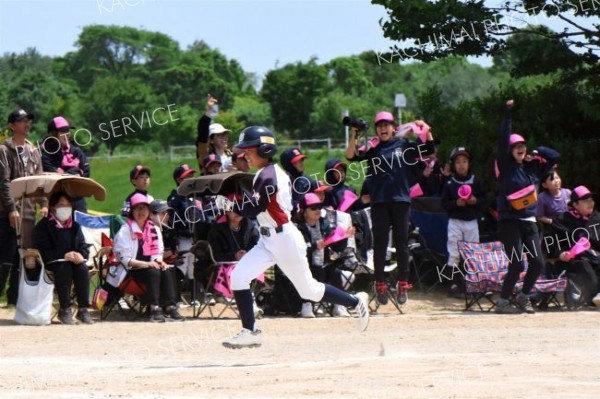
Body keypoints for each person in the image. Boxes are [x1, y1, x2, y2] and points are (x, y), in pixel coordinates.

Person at [219, 126, 369, 349]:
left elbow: (254, 208)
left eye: (248, 150)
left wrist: (231, 204)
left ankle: (356, 301)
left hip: (284, 240)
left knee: (310, 290)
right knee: (239, 277)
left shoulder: (269, 176)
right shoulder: (266, 173)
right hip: (268, 239)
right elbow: (257, 206)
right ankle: (250, 332)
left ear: (264, 149)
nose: (244, 155)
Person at [345, 111, 436, 306]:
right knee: (380, 244)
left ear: (394, 128)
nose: (383, 128)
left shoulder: (404, 146)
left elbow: (429, 149)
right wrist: (354, 134)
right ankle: (380, 284)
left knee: (402, 244)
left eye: (387, 125)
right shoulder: (374, 148)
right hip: (379, 202)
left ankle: (403, 283)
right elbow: (351, 156)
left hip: (401, 200)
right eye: (379, 125)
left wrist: (426, 129)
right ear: (377, 130)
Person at [495, 99, 560, 314]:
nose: (520, 149)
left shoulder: (533, 168)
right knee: (516, 265)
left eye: (523, 146)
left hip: (528, 221)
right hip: (509, 221)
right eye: (516, 147)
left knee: (538, 263)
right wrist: (507, 114)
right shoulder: (505, 167)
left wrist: (537, 150)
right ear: (509, 151)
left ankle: (524, 297)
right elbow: (504, 139)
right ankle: (503, 302)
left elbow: (554, 157)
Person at [0, 109, 48, 306]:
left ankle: (15, 298)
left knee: (24, 255)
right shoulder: (4, 150)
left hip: (28, 212)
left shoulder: (33, 150)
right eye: (22, 121)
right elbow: (3, 182)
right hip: (7, 212)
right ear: (12, 125)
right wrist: (11, 208)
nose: (26, 124)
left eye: (27, 120)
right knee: (5, 256)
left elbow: (39, 179)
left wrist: (43, 204)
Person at [113, 193, 184, 322]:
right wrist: (148, 264)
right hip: (131, 271)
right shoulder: (125, 231)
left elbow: (157, 254)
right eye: (138, 208)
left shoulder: (154, 229)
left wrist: (159, 261)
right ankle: (154, 308)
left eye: (144, 208)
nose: (141, 212)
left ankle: (170, 307)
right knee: (154, 271)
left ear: (149, 211)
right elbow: (125, 260)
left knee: (167, 268)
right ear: (132, 211)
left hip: (150, 268)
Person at [33, 191, 92, 324]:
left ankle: (83, 309)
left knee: (82, 268)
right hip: (52, 262)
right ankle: (65, 309)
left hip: (73, 262)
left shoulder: (75, 226)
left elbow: (83, 246)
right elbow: (42, 250)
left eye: (68, 205)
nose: (65, 208)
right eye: (61, 204)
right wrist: (63, 255)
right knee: (64, 267)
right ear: (53, 208)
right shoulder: (43, 226)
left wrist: (80, 254)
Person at [294, 193, 356, 318]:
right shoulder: (297, 227)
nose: (318, 210)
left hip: (325, 261)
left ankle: (339, 305)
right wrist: (315, 246)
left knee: (335, 270)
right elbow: (297, 249)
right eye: (313, 207)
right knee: (315, 270)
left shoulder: (324, 223)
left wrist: (344, 237)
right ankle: (307, 304)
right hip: (306, 263)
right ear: (304, 211)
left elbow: (336, 246)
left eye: (319, 206)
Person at [546, 186, 600, 306]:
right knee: (584, 266)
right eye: (586, 201)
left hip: (593, 257)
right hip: (570, 261)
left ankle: (596, 296)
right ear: (575, 204)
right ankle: (593, 297)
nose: (591, 203)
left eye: (592, 200)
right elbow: (548, 243)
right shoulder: (562, 220)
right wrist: (560, 254)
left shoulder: (596, 218)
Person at [441, 147, 484, 268]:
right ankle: (454, 283)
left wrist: (475, 201)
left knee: (472, 252)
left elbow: (484, 201)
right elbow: (444, 204)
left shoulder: (476, 181)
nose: (461, 165)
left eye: (464, 161)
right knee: (454, 253)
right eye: (458, 162)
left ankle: (472, 283)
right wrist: (456, 203)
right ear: (453, 165)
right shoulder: (450, 183)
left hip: (472, 222)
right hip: (455, 222)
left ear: (469, 164)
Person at [41, 116, 90, 213]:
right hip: (57, 202)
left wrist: (68, 173)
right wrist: (75, 171)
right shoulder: (44, 152)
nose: (67, 134)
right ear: (53, 134)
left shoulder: (75, 150)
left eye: (68, 131)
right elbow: (56, 178)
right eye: (62, 132)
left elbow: (86, 173)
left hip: (78, 201)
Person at [196, 95, 233, 172]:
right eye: (219, 135)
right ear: (211, 140)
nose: (224, 137)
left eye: (225, 134)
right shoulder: (205, 156)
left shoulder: (231, 155)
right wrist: (209, 110)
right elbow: (202, 134)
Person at [280, 147, 319, 215]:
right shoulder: (281, 181)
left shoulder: (307, 181)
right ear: (288, 165)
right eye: (296, 162)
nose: (301, 163)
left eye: (301, 160)